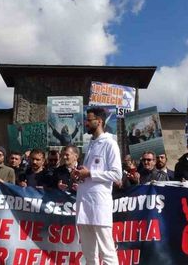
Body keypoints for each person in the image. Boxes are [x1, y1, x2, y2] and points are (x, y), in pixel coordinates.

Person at [71, 107, 122, 265]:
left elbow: (116, 175)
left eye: (88, 120)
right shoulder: (91, 144)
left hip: (99, 205)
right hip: (84, 204)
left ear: (99, 121)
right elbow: (89, 172)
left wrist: (90, 174)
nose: (86, 123)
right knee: (89, 254)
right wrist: (80, 175)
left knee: (107, 253)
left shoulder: (110, 144)